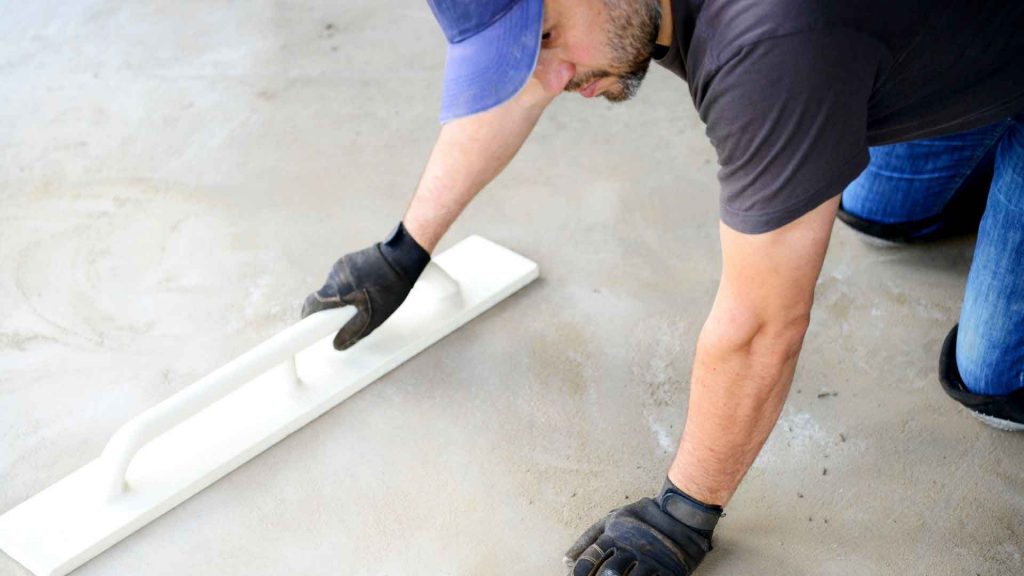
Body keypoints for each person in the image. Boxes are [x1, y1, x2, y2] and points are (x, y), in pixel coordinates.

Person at [301, 0, 1024, 573]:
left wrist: (685, 510)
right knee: (878, 211)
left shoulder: (769, 44)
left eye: (548, 36)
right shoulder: (605, 18)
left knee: (993, 379)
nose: (553, 79)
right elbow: (525, 84)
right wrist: (405, 249)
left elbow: (763, 324)